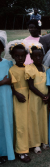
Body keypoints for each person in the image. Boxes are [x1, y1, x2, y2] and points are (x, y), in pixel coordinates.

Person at [8, 41, 31, 162]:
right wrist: (16, 93)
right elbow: (11, 86)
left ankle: (30, 144)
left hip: (29, 98)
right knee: (21, 124)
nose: (20, 58)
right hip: (19, 99)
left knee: (29, 122)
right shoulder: (12, 69)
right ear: (13, 56)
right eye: (17, 56)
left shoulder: (28, 68)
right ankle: (21, 151)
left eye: (22, 56)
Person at [25, 42, 49, 154]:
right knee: (35, 119)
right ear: (31, 57)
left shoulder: (46, 68)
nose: (38, 58)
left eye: (40, 55)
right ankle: (35, 143)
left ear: (43, 56)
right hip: (35, 98)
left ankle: (44, 140)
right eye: (35, 56)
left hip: (45, 99)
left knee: (44, 119)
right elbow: (31, 86)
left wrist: (48, 96)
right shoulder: (30, 68)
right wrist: (42, 95)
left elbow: (49, 84)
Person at [0, 31, 15, 164]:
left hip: (6, 99)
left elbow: (13, 78)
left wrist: (9, 81)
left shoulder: (8, 63)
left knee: (6, 123)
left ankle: (6, 151)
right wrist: (2, 82)